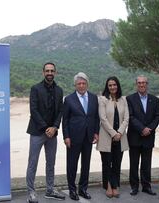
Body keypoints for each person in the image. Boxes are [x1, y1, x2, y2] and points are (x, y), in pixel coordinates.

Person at [25, 62, 65, 203]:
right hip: (37, 132)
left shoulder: (59, 90)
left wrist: (54, 127)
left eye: (52, 71)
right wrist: (45, 128)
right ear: (43, 72)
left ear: (55, 72)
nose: (49, 73)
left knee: (51, 162)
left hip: (52, 133)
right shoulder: (35, 88)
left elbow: (61, 111)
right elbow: (33, 110)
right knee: (33, 163)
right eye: (47, 71)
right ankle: (31, 191)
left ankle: (50, 189)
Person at [62, 72, 100, 201]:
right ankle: (72, 190)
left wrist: (96, 132)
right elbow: (65, 120)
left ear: (87, 84)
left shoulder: (94, 98)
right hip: (73, 137)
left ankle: (83, 189)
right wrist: (66, 136)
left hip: (88, 136)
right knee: (72, 164)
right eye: (79, 84)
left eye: (84, 83)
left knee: (86, 164)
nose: (82, 86)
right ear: (75, 85)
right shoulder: (68, 99)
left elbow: (96, 117)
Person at [126, 75, 159, 196]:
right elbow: (130, 117)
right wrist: (142, 128)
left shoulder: (155, 100)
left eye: (144, 82)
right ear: (136, 84)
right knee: (134, 163)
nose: (142, 85)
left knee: (146, 164)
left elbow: (158, 116)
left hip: (149, 136)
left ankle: (146, 186)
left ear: (147, 84)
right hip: (135, 136)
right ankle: (134, 187)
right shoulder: (130, 99)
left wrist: (149, 129)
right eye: (139, 83)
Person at [96, 76, 129, 198]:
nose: (112, 87)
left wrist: (119, 132)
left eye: (114, 85)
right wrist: (113, 133)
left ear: (118, 86)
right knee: (106, 163)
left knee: (117, 163)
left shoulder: (123, 100)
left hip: (120, 137)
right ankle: (108, 186)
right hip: (106, 136)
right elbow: (103, 119)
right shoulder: (103, 99)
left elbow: (126, 118)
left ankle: (115, 186)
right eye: (110, 85)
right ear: (107, 87)